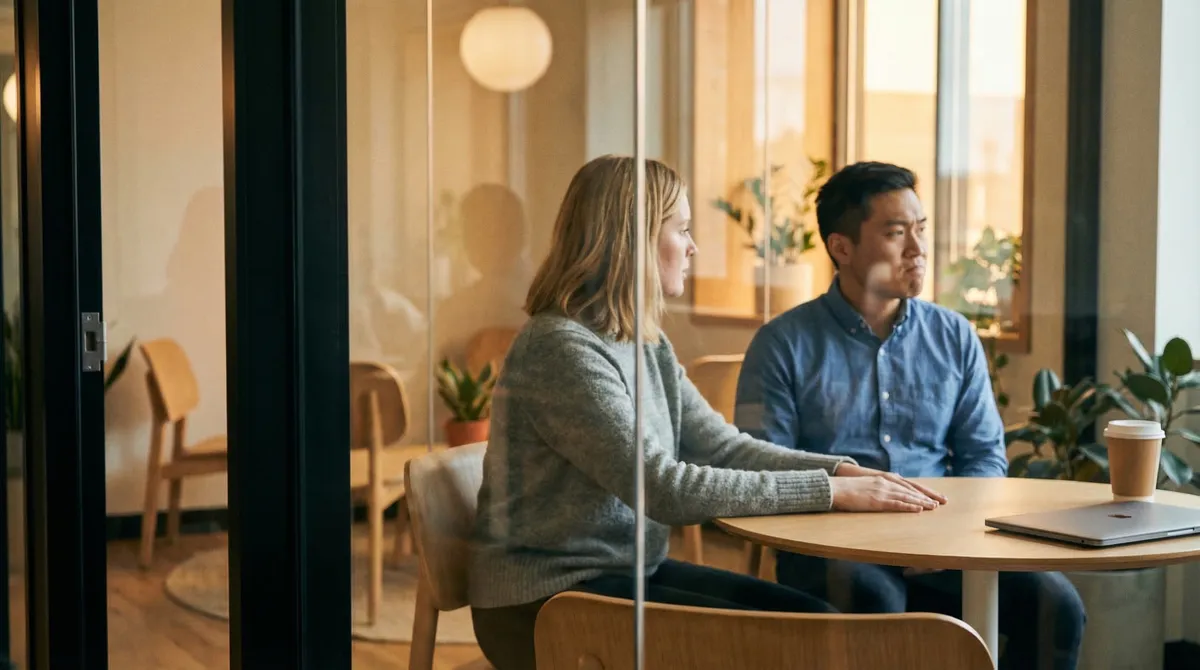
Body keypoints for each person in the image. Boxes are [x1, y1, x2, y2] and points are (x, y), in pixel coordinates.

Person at [466, 155, 947, 670]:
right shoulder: (560, 347)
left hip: (621, 576)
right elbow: (663, 487)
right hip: (544, 604)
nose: (694, 247)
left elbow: (723, 447)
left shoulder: (643, 342)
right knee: (800, 647)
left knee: (816, 620)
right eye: (683, 229)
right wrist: (829, 492)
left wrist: (838, 470)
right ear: (632, 239)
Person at [733, 161, 1085, 669]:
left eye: (920, 230)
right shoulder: (782, 345)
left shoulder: (954, 336)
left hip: (943, 542)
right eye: (897, 234)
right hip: (833, 548)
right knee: (875, 602)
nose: (919, 250)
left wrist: (948, 538)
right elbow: (764, 467)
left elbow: (983, 456)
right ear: (842, 247)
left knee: (1058, 607)